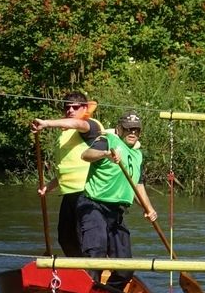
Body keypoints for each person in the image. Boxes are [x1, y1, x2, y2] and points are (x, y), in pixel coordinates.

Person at [76, 111, 158, 277]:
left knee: (125, 269)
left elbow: (137, 185)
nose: (132, 133)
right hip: (94, 206)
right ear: (119, 129)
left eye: (136, 130)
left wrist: (148, 208)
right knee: (96, 252)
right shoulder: (108, 141)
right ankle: (91, 290)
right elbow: (86, 155)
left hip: (117, 212)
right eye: (128, 129)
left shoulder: (137, 155)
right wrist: (105, 154)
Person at [29, 91, 99, 256]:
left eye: (75, 107)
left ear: (85, 108)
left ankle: (90, 272)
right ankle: (77, 269)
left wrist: (46, 123)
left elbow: (77, 124)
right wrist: (49, 186)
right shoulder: (65, 135)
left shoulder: (89, 126)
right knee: (65, 238)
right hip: (69, 193)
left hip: (89, 192)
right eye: (67, 107)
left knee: (85, 239)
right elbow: (67, 169)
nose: (71, 111)